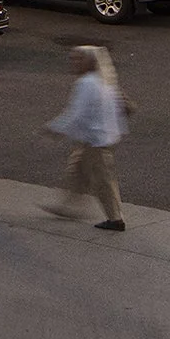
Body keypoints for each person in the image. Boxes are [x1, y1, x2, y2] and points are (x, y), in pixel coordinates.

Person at [42, 44, 130, 231]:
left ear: (89, 62)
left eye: (78, 59)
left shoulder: (86, 83)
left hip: (96, 140)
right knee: (78, 172)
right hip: (103, 137)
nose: (73, 63)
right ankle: (68, 207)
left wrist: (54, 129)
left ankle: (115, 219)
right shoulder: (105, 79)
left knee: (103, 181)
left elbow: (76, 114)